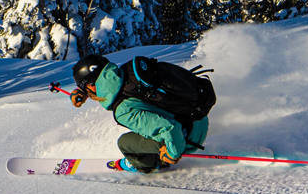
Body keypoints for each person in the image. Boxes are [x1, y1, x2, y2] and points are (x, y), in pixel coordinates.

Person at [70, 53, 208, 173]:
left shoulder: (123, 112)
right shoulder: (127, 72)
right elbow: (106, 85)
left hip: (189, 136)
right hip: (198, 116)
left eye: (85, 87)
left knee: (125, 143)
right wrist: (84, 92)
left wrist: (173, 154)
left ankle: (150, 164)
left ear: (91, 85)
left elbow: (170, 128)